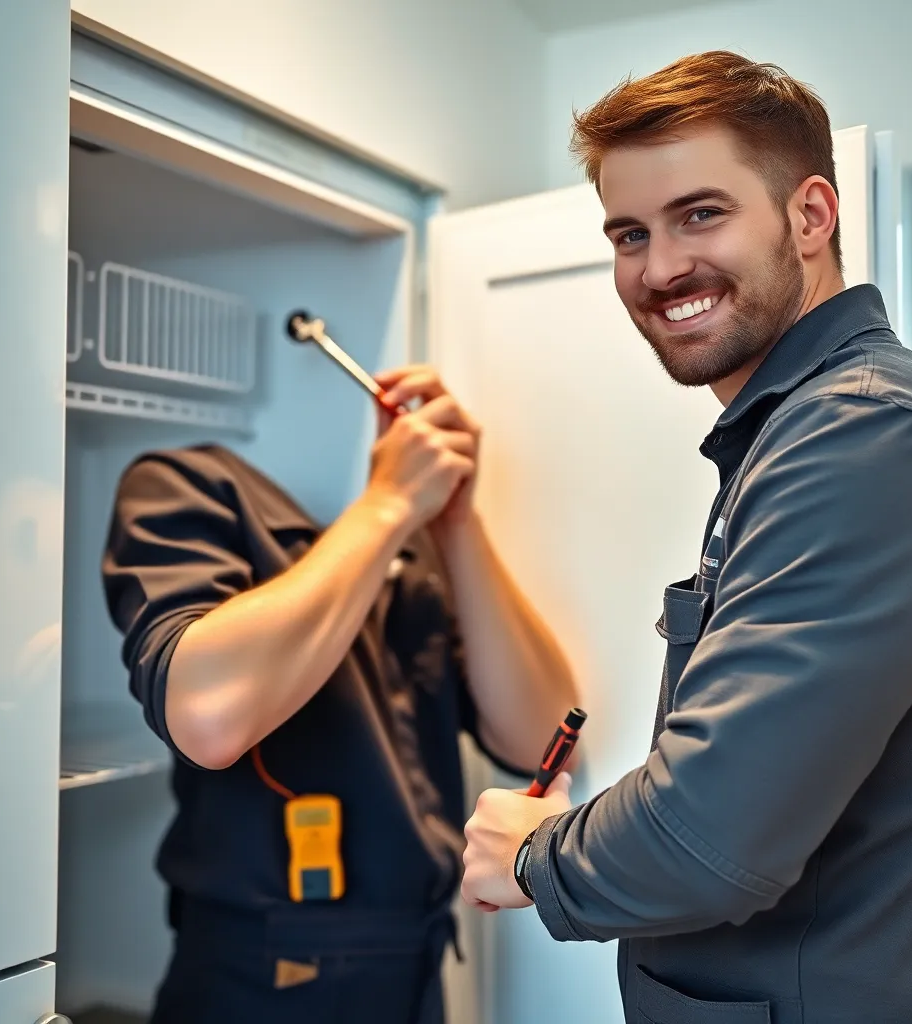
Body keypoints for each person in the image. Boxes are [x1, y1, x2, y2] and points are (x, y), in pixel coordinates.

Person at [461, 50, 912, 1022]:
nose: (660, 267)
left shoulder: (867, 434)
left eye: (699, 214)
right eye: (628, 233)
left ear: (809, 216)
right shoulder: (796, 428)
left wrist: (533, 851)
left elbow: (704, 836)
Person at [101, 365, 579, 1024]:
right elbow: (207, 719)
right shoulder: (179, 489)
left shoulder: (407, 574)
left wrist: (455, 523)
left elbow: (543, 736)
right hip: (256, 987)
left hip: (414, 974)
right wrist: (387, 505)